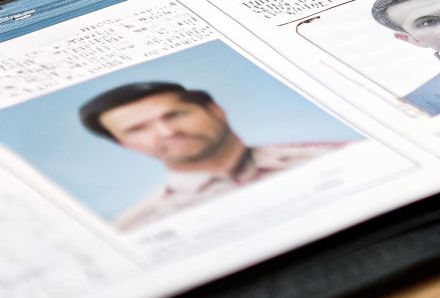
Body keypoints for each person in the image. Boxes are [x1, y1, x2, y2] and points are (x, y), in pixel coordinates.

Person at [79, 82, 347, 231]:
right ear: (124, 144)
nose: (167, 131)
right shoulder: (136, 228)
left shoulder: (338, 156)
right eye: (138, 129)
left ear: (216, 111)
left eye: (175, 114)